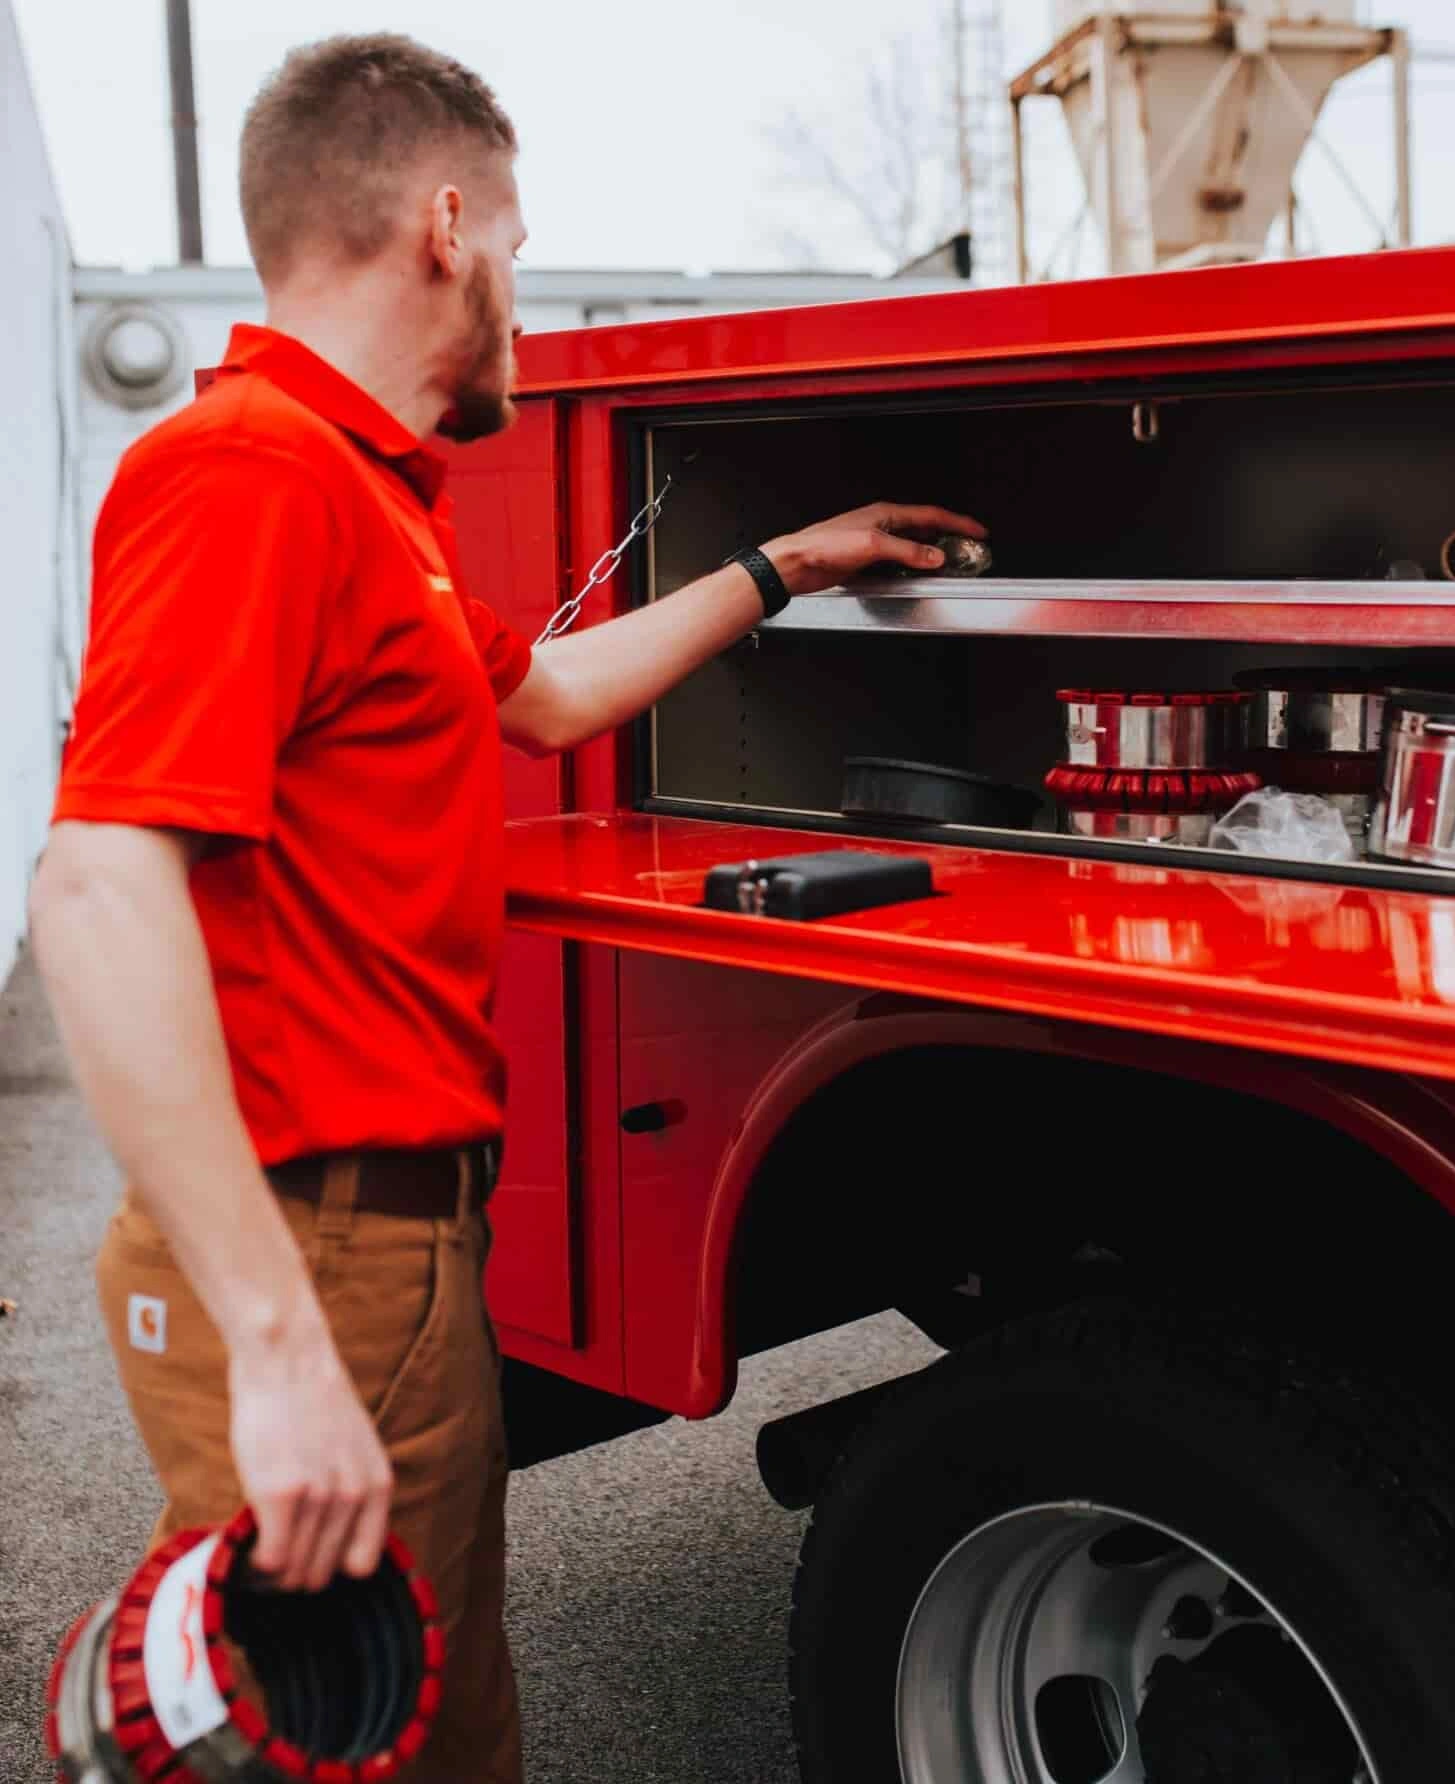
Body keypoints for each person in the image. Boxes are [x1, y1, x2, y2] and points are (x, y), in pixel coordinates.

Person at [29, 33, 984, 1782]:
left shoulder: (364, 496)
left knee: (444, 1732)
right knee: (358, 1743)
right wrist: (277, 1345)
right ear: (448, 223)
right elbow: (97, 886)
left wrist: (788, 563)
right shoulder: (249, 472)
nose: (525, 294)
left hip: (386, 1247)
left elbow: (540, 699)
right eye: (525, 247)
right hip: (322, 1244)